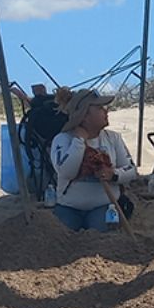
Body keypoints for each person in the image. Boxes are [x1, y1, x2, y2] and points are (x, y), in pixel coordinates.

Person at [49, 88, 137, 231]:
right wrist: (79, 141)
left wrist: (113, 174)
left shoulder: (113, 138)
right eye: (100, 108)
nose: (106, 111)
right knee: (62, 232)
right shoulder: (63, 140)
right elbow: (66, 172)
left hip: (105, 205)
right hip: (69, 207)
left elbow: (132, 170)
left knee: (101, 231)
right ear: (84, 115)